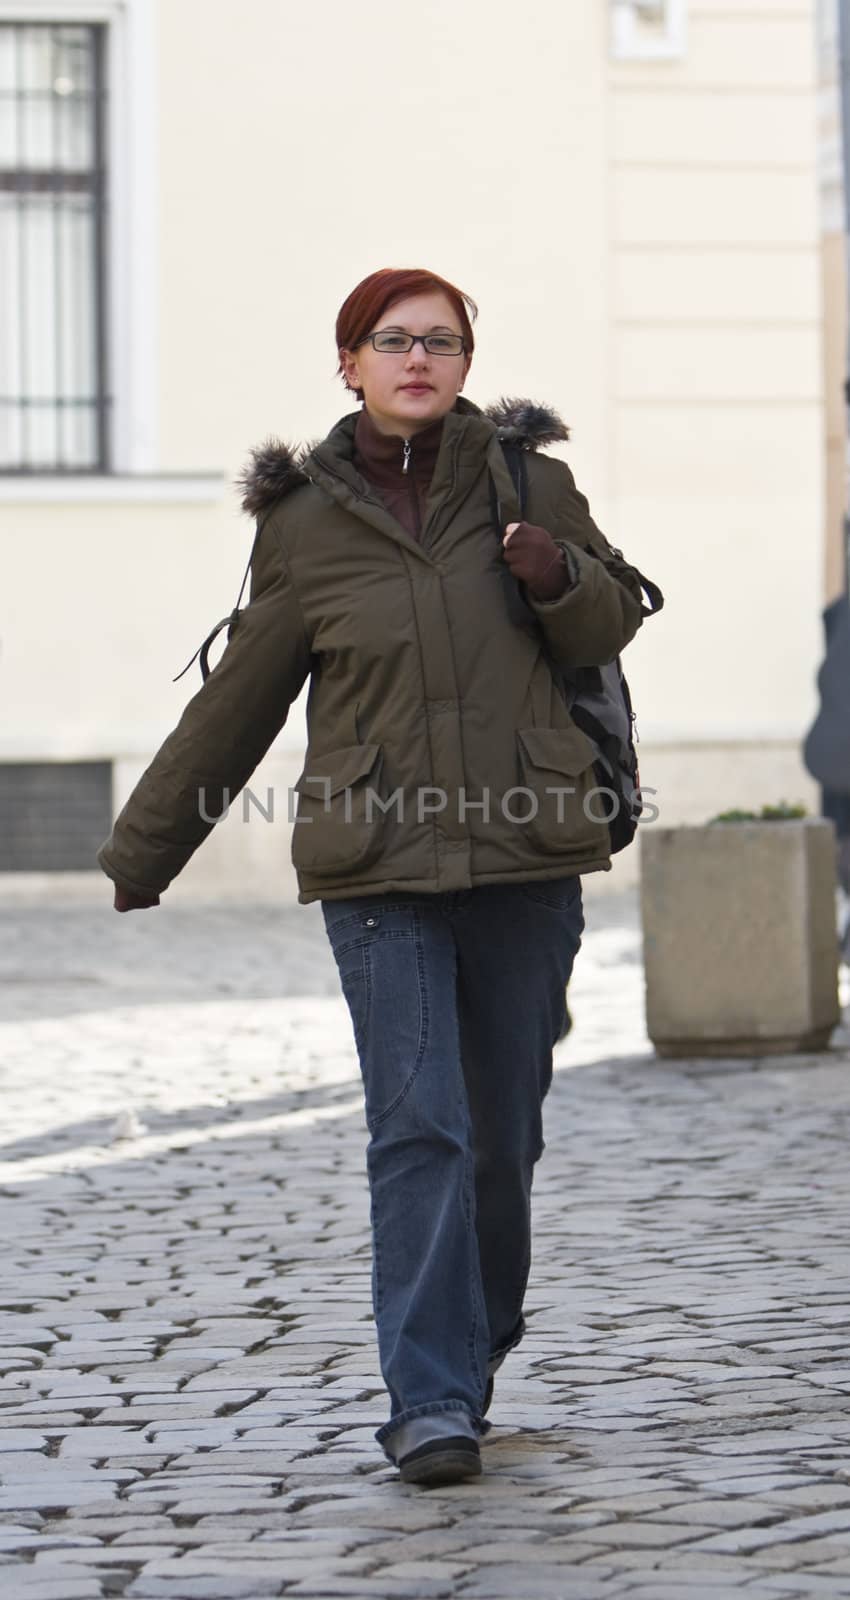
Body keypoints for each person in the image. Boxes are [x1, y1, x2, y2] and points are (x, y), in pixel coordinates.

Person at [97, 266, 649, 1487]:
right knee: (419, 1129)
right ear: (348, 363)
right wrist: (149, 850)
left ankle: (473, 1341)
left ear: (464, 361)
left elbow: (608, 623)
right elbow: (240, 697)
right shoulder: (301, 522)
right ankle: (430, 1398)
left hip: (524, 857)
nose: (418, 360)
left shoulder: (526, 480)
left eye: (441, 342)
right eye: (392, 342)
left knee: (500, 1138)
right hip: (377, 868)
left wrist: (554, 574)